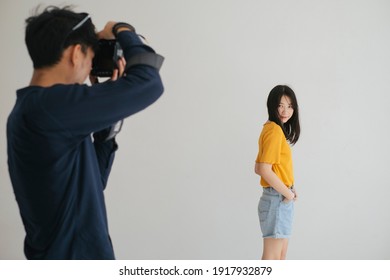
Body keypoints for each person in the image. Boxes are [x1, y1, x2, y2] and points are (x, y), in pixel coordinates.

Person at [7, 6, 164, 259]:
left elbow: (93, 182)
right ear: (76, 53)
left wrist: (106, 116)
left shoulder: (34, 109)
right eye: (92, 56)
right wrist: (121, 28)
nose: (92, 65)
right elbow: (150, 81)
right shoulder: (50, 107)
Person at [254, 85, 300, 260]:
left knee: (278, 258)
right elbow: (264, 169)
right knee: (273, 260)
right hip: (277, 200)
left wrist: (289, 189)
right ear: (272, 105)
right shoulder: (274, 130)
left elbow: (258, 167)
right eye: (280, 105)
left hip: (278, 198)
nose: (285, 111)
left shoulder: (270, 128)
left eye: (290, 106)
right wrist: (287, 192)